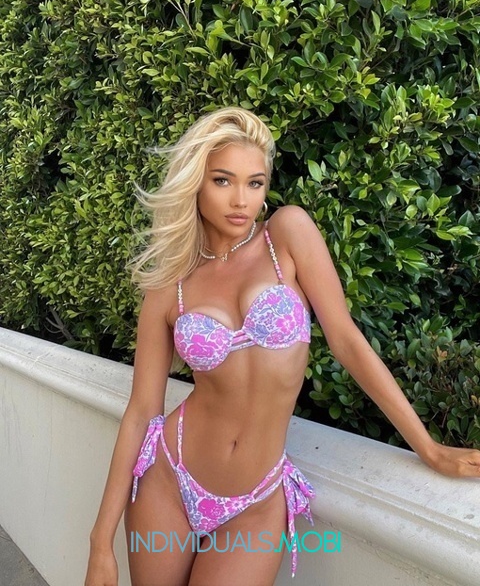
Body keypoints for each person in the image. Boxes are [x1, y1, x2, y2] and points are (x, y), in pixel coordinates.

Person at [85, 107, 480, 586]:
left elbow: (346, 341)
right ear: (196, 184)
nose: (241, 200)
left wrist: (429, 448)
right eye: (223, 180)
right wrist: (100, 542)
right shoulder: (172, 283)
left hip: (256, 499)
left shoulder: (286, 235)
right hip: (169, 478)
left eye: (255, 183)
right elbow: (141, 411)